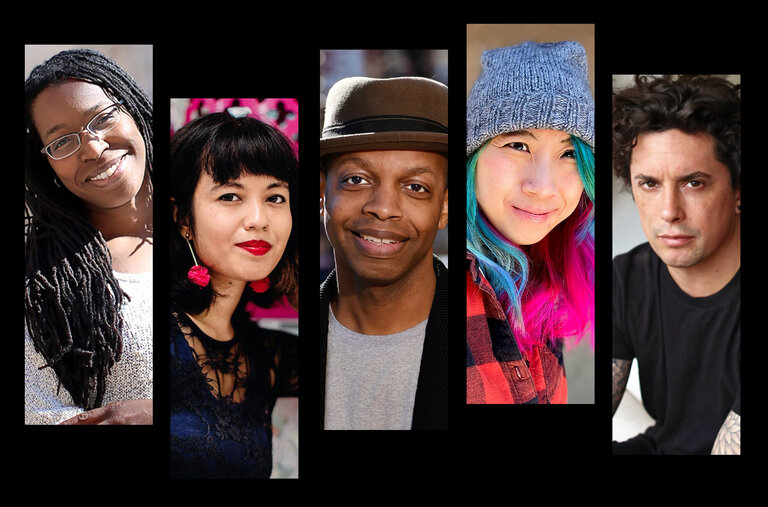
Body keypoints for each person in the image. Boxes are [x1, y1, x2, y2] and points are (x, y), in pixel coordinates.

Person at [611, 75, 740, 454]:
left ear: (737, 191)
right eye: (649, 184)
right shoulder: (625, 280)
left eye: (693, 183)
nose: (669, 212)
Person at [24, 48, 154, 425]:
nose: (94, 148)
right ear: (46, 162)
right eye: (62, 141)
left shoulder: (212, 219)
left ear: (132, 106)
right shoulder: (44, 285)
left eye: (102, 117)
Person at [169, 110, 299, 478]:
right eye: (230, 196)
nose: (259, 218)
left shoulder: (267, 355)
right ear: (182, 219)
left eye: (275, 197)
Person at [465, 41, 595, 404]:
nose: (543, 187)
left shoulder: (550, 276)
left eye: (569, 154)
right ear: (472, 158)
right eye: (518, 145)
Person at [319, 76, 449, 430]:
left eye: (415, 187)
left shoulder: (489, 337)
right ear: (322, 194)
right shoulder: (277, 352)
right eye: (356, 180)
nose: (383, 208)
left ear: (445, 207)